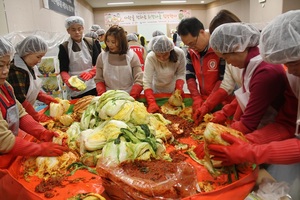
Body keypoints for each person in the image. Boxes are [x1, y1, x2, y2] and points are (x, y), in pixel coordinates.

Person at [207, 10, 300, 199]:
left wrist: (253, 150)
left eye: (293, 62)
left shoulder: (266, 72)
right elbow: (287, 124)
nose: (288, 69)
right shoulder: (293, 75)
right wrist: (245, 140)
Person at [0, 37, 68, 169]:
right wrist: (39, 148)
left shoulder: (5, 86)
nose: (5, 71)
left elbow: (20, 113)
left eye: (8, 64)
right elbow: (4, 141)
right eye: (0, 65)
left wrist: (42, 133)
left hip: (8, 153)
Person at [209, 23, 288, 134]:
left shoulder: (265, 71)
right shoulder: (251, 64)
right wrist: (225, 112)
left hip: (274, 131)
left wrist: (220, 133)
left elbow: (248, 125)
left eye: (226, 58)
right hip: (263, 126)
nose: (228, 63)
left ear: (237, 48)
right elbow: (248, 95)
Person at [194, 10, 244, 124]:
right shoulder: (229, 55)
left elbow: (249, 94)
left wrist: (226, 113)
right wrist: (206, 106)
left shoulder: (253, 60)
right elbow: (226, 86)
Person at [177, 17, 225, 123]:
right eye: (188, 45)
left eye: (192, 43)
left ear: (202, 32)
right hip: (204, 97)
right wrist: (196, 97)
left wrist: (210, 101)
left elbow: (223, 80)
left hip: (222, 99)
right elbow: (190, 76)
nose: (191, 47)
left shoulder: (219, 48)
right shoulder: (191, 52)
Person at [7, 35, 58, 123]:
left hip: (26, 112)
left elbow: (30, 87)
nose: (39, 61)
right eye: (38, 57)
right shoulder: (16, 69)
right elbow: (20, 99)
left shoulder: (29, 66)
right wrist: (37, 116)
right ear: (27, 52)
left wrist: (43, 97)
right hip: (16, 116)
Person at [94, 25, 143, 99]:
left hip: (128, 95)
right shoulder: (102, 57)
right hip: (109, 96)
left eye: (113, 42)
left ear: (121, 41)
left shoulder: (132, 56)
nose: (110, 45)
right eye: (107, 41)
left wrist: (133, 94)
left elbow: (139, 78)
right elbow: (99, 78)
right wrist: (102, 94)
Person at [58, 16, 100, 99]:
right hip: (74, 86)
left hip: (91, 84)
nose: (77, 32)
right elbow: (63, 70)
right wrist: (68, 81)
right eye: (73, 29)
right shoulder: (64, 47)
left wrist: (91, 73)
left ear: (83, 28)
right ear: (68, 31)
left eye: (79, 29)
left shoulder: (91, 42)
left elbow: (99, 63)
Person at [143, 35, 186, 113]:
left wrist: (179, 88)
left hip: (173, 90)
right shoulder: (151, 57)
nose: (162, 58)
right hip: (157, 90)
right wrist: (151, 102)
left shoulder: (179, 53)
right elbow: (147, 81)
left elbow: (181, 73)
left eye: (165, 54)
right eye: (158, 55)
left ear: (170, 50)